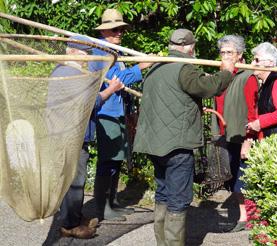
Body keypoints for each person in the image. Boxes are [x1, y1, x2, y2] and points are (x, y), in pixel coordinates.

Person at [133, 28, 236, 246]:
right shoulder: (184, 68)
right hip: (176, 146)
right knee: (178, 201)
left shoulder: (154, 69)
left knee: (162, 194)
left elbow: (176, 96)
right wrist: (226, 72)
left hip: (154, 145)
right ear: (190, 48)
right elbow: (208, 88)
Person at [52, 36, 125, 239]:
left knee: (71, 180)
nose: (88, 59)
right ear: (73, 52)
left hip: (66, 135)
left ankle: (74, 216)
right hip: (70, 137)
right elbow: (88, 103)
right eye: (85, 54)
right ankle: (71, 225)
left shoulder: (63, 70)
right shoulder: (70, 74)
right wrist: (111, 90)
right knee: (74, 182)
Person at [91, 8, 152, 222]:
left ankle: (112, 201)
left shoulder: (117, 51)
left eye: (121, 29)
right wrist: (139, 68)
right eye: (115, 30)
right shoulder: (99, 52)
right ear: (105, 32)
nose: (119, 33)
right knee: (107, 160)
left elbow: (122, 85)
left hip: (119, 111)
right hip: (106, 113)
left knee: (117, 159)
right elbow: (113, 79)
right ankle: (102, 207)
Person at [214, 35, 259, 232]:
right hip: (227, 133)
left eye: (229, 52)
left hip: (242, 135)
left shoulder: (247, 77)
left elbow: (252, 112)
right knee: (234, 177)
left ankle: (247, 218)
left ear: (240, 55)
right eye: (222, 52)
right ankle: (246, 216)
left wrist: (248, 140)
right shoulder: (223, 75)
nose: (225, 56)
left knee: (243, 178)